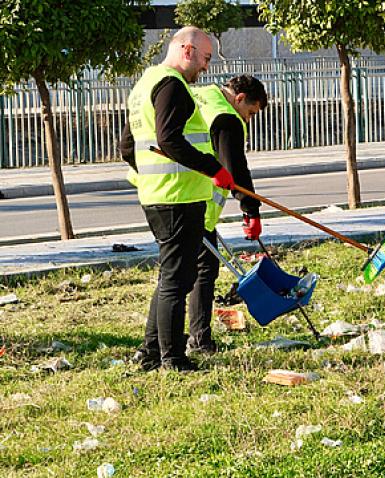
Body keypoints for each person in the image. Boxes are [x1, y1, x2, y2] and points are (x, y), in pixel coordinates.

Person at [119, 26, 236, 372]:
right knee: (178, 279)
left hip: (160, 195)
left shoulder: (145, 84)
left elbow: (128, 146)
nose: (206, 67)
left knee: (171, 276)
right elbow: (169, 140)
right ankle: (172, 358)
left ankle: (152, 351)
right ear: (187, 50)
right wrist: (213, 168)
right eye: (205, 58)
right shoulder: (172, 85)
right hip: (177, 197)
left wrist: (149, 174)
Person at [185, 75, 268, 354]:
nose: (248, 120)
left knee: (176, 272)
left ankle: (159, 342)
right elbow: (235, 170)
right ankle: (198, 339)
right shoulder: (227, 117)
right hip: (198, 202)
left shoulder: (204, 94)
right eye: (250, 113)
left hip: (173, 195)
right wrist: (251, 211)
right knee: (203, 270)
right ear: (240, 99)